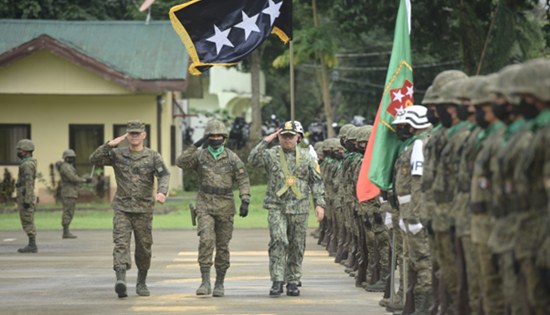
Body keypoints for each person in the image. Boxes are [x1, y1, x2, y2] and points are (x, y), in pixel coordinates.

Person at [89, 120, 170, 298]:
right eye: (131, 133)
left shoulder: (152, 156)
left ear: (144, 135)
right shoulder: (117, 154)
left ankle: (141, 282)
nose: (134, 136)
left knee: (144, 247)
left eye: (137, 133)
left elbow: (164, 174)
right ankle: (121, 280)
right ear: (127, 135)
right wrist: (109, 145)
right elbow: (94, 159)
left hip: (143, 209)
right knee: (120, 244)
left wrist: (162, 192)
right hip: (122, 209)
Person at [248, 120, 326, 297]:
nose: (287, 140)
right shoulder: (271, 154)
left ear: (298, 137)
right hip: (277, 206)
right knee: (278, 240)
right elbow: (252, 160)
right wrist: (268, 139)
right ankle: (277, 280)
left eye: (291, 137)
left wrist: (320, 204)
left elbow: (316, 182)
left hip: (300, 207)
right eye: (283, 136)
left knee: (297, 245)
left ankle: (292, 280)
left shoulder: (307, 157)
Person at [176, 119, 250, 298]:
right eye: (212, 136)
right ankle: (205, 281)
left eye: (219, 135)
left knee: (223, 246)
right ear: (207, 137)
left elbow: (243, 179)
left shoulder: (231, 157)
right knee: (206, 241)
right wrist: (196, 145)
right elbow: (180, 162)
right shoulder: (200, 156)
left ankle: (219, 283)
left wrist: (245, 199)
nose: (216, 138)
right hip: (205, 204)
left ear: (224, 137)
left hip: (225, 205)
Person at [392, 105, 433, 315]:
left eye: (403, 125)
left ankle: (425, 307)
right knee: (413, 257)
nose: (401, 129)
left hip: (416, 210)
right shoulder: (414, 143)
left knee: (423, 259)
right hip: (409, 208)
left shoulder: (419, 144)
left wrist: (415, 215)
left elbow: (417, 182)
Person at [58, 149, 90, 239]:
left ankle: (66, 231)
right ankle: (66, 231)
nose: (72, 159)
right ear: (66, 158)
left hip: (71, 192)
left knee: (70, 212)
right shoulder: (66, 167)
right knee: (68, 212)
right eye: (70, 157)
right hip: (68, 193)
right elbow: (73, 178)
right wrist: (85, 180)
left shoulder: (68, 166)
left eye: (73, 157)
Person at [16, 139, 38, 253]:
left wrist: (27, 199)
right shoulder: (27, 163)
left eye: (20, 149)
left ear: (26, 150)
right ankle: (31, 244)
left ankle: (32, 245)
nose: (18, 152)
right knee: (26, 219)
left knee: (27, 220)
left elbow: (28, 183)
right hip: (25, 195)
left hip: (26, 196)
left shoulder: (27, 165)